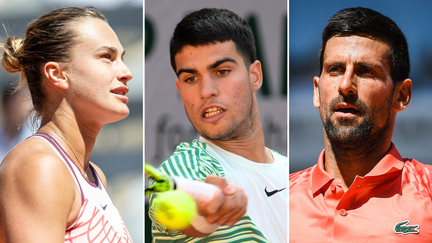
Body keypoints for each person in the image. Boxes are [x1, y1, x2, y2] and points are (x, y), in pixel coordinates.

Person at [289, 7, 432, 242]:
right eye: (335, 69)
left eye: (366, 71)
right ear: (316, 91)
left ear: (402, 95)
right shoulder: (275, 202)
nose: (346, 85)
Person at [148, 8, 287, 243]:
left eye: (222, 71)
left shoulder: (291, 174)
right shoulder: (184, 167)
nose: (206, 91)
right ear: (180, 90)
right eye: (190, 79)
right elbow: (174, 194)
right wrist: (208, 211)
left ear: (255, 76)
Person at [0, 7, 134, 242]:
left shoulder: (94, 175)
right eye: (107, 57)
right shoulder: (39, 167)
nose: (126, 72)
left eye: (123, 58)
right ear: (57, 74)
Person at [0, 87, 33, 163]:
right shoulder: (1, 135)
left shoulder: (33, 133)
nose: (25, 108)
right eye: (20, 103)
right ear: (7, 106)